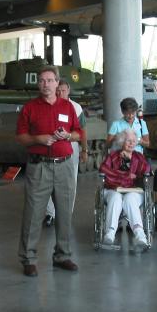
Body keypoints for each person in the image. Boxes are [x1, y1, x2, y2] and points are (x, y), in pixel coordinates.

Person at [16, 65, 83, 277]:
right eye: (42, 81)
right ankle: (29, 259)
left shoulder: (68, 107)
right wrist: (38, 139)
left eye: (50, 80)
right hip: (39, 166)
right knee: (33, 214)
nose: (46, 84)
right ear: (39, 84)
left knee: (64, 213)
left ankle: (62, 256)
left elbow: (79, 133)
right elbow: (20, 137)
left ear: (57, 83)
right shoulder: (29, 108)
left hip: (64, 166)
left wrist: (69, 136)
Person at [99, 129, 151, 250]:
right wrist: (126, 176)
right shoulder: (112, 156)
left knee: (130, 199)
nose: (132, 143)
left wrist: (130, 161)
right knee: (116, 198)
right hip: (113, 190)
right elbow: (103, 171)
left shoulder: (139, 157)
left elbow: (147, 172)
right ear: (122, 142)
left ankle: (140, 234)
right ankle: (110, 233)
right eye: (128, 141)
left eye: (134, 141)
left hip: (134, 191)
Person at [44, 79, 87, 226]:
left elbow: (82, 131)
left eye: (63, 90)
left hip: (71, 145)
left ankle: (66, 212)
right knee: (50, 179)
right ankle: (50, 213)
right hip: (52, 145)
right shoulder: (50, 104)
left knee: (70, 180)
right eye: (58, 90)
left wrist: (85, 150)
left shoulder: (76, 107)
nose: (60, 93)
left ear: (68, 90)